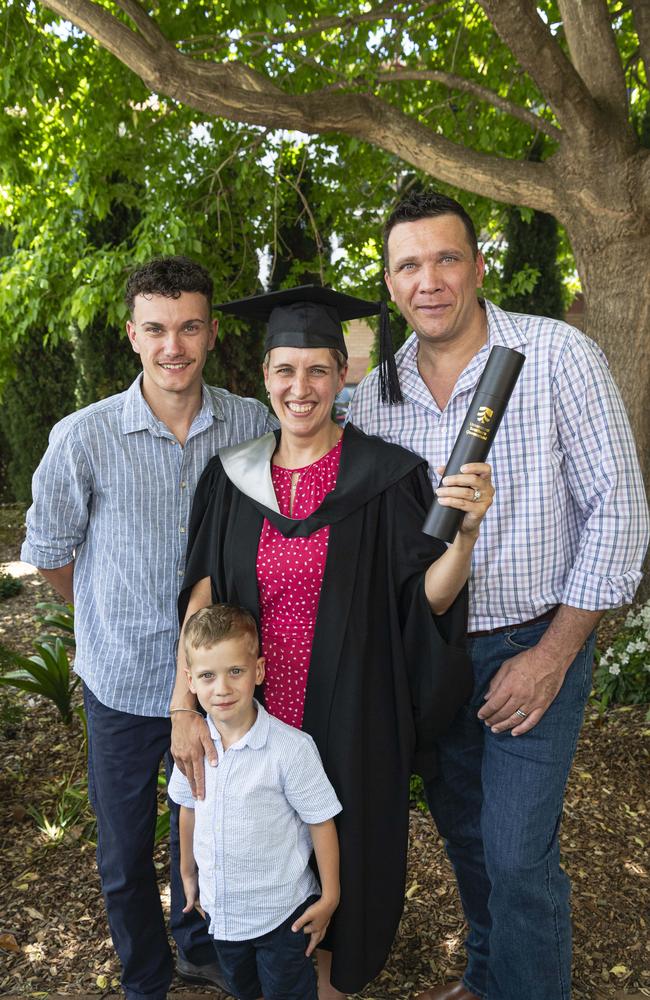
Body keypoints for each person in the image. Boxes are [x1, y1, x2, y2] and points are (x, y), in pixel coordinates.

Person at [347, 189, 650, 1000]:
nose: (430, 280)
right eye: (409, 265)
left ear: (480, 267)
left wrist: (555, 654)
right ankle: (489, 979)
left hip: (533, 642)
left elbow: (619, 511)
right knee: (472, 842)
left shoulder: (555, 356)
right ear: (390, 281)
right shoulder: (376, 397)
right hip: (435, 658)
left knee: (519, 854)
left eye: (447, 259)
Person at [169, 283, 495, 998]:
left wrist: (464, 537)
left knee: (345, 859)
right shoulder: (231, 480)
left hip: (350, 716)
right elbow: (202, 603)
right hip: (250, 718)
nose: (301, 387)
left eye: (318, 369)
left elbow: (427, 600)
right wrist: (184, 710)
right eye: (285, 370)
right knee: (262, 867)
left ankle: (331, 987)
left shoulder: (389, 477)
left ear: (342, 375)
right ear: (264, 378)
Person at [21, 256, 275, 1000]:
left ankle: (199, 947)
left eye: (189, 327)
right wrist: (98, 618)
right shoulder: (83, 438)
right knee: (127, 853)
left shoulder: (251, 424)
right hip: (122, 684)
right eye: (157, 329)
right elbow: (49, 555)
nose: (174, 346)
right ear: (133, 335)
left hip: (220, 687)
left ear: (210, 332)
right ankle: (146, 978)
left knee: (205, 833)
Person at [168, 602, 342, 1000]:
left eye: (235, 671)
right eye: (208, 676)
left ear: (258, 671)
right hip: (223, 913)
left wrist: (330, 895)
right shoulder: (193, 747)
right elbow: (188, 808)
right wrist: (187, 872)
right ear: (190, 680)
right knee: (245, 991)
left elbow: (321, 822)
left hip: (283, 916)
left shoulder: (290, 749)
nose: (222, 688)